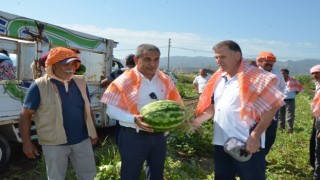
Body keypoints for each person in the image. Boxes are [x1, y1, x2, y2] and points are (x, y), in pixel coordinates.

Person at [192, 40, 285, 179]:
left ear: (237, 56)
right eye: (216, 57)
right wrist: (197, 121)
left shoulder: (256, 76)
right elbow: (212, 108)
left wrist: (255, 135)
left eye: (222, 57)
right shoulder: (218, 78)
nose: (218, 61)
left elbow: (273, 106)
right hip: (221, 142)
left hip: (246, 142)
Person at [100, 44, 182, 180]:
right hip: (134, 136)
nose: (152, 64)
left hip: (159, 137)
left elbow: (175, 104)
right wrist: (133, 119)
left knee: (156, 174)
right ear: (137, 60)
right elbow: (111, 110)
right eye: (147, 59)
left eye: (156, 60)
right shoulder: (123, 80)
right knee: (130, 174)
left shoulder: (165, 80)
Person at [19, 47, 98, 180]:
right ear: (53, 66)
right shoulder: (39, 85)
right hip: (54, 144)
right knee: (56, 177)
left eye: (73, 64)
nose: (71, 68)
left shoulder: (81, 82)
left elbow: (87, 108)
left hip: (82, 140)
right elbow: (25, 115)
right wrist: (26, 142)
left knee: (89, 175)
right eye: (66, 64)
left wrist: (93, 132)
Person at [256, 52, 286, 160]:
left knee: (270, 136)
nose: (269, 63)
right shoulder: (254, 73)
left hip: (273, 109)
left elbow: (282, 87)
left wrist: (277, 103)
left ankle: (262, 157)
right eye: (266, 61)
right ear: (259, 62)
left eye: (271, 61)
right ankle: (251, 159)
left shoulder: (277, 73)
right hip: (256, 110)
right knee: (256, 134)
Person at [279, 68, 303, 133]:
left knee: (290, 115)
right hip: (280, 100)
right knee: (280, 115)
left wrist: (292, 94)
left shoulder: (293, 80)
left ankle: (290, 129)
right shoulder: (279, 81)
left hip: (290, 101)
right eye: (281, 73)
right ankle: (282, 128)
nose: (281, 74)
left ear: (287, 73)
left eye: (283, 73)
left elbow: (299, 88)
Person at [310, 65, 320, 177]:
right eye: (313, 73)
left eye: (317, 73)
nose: (315, 75)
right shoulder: (317, 84)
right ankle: (314, 167)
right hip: (317, 119)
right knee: (313, 142)